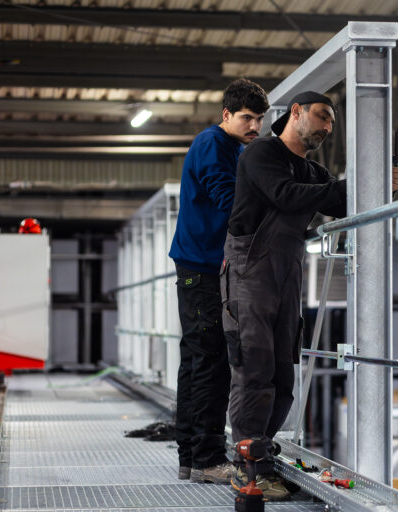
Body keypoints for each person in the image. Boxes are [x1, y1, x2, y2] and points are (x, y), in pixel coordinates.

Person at [221, 91, 398, 499]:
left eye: (331, 123)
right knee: (254, 366)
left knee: (284, 372)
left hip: (287, 271)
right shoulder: (261, 154)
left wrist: (380, 187)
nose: (327, 127)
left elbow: (341, 202)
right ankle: (246, 466)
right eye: (322, 116)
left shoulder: (315, 172)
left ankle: (262, 457)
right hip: (250, 270)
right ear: (296, 112)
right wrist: (346, 188)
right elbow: (285, 195)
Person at [168, 78, 269, 484]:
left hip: (202, 267)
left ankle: (192, 458)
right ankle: (207, 459)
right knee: (210, 363)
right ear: (226, 114)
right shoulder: (214, 144)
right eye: (247, 118)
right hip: (202, 269)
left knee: (198, 362)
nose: (255, 126)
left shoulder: (231, 147)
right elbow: (230, 202)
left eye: (259, 119)